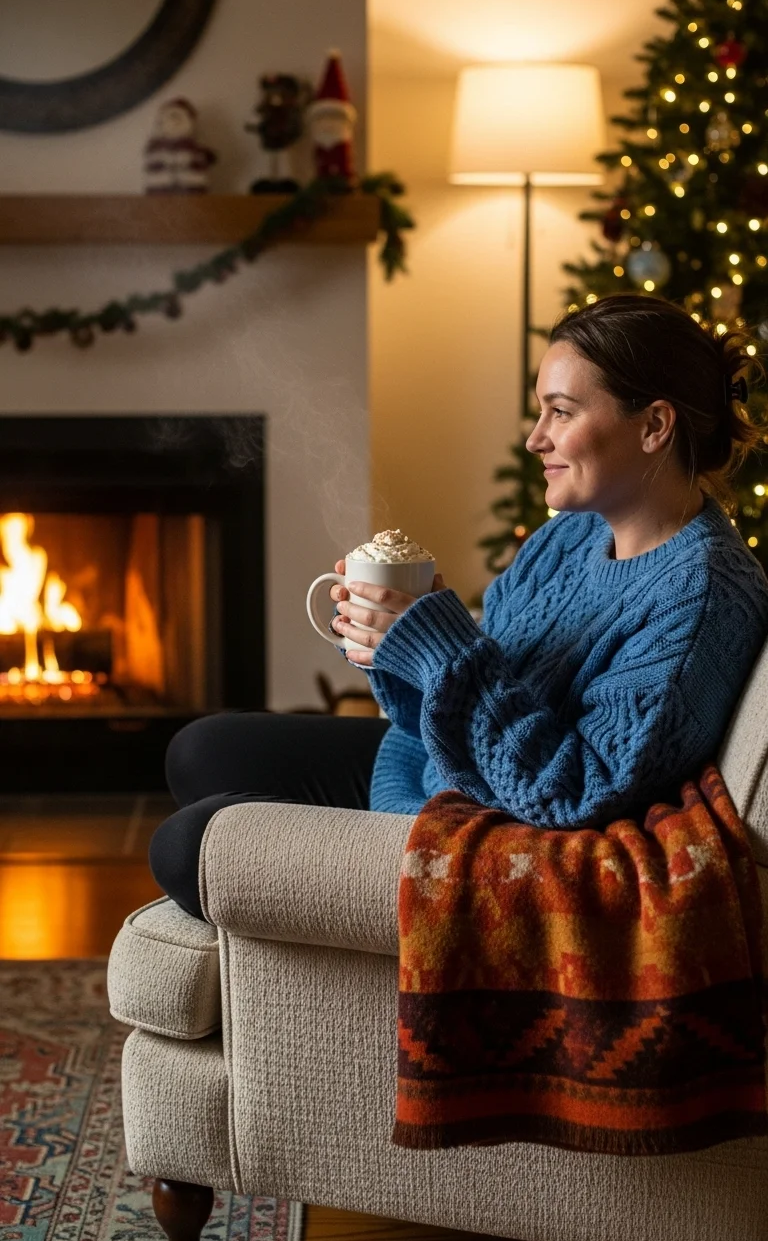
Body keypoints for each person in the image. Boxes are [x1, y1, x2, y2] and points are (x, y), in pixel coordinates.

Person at [150, 294, 768, 919]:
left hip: (486, 835)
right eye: (539, 412)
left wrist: (440, 648)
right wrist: (394, 644)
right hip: (434, 774)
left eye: (561, 412)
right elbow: (472, 683)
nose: (535, 440)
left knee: (185, 845)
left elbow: (576, 791)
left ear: (654, 425)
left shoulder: (701, 595)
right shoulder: (573, 533)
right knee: (202, 749)